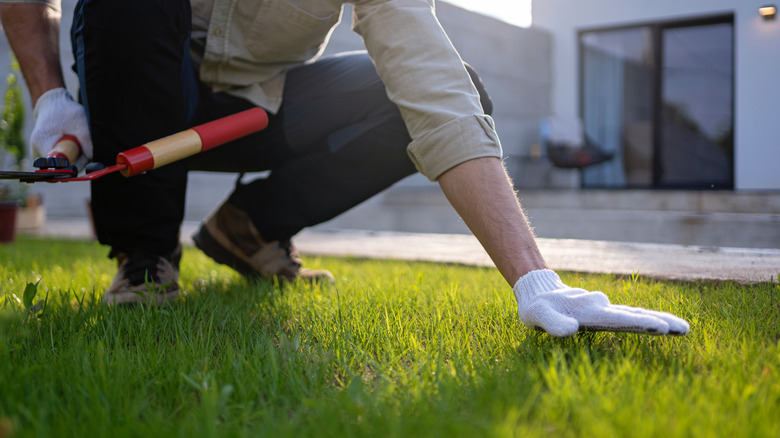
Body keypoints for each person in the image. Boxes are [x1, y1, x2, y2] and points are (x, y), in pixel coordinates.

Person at [0, 0, 689, 337]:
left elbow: (433, 85)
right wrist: (51, 96)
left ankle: (249, 229)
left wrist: (536, 279)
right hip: (136, 84)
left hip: (255, 103)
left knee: (457, 86)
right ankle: (146, 257)